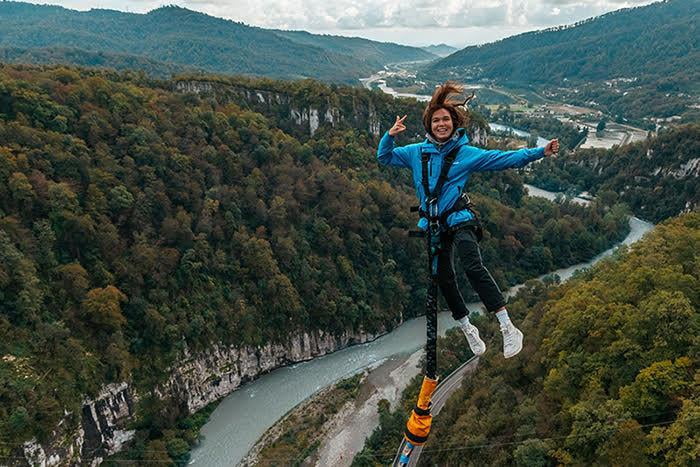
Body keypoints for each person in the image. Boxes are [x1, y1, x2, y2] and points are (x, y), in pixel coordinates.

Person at [377, 82, 559, 358]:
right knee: (443, 278)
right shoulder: (415, 152)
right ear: (429, 124)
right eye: (436, 120)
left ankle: (507, 326)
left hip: (460, 218)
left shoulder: (466, 154)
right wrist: (390, 135)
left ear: (454, 123)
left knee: (472, 266)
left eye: (445, 120)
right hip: (434, 223)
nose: (441, 124)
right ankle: (467, 327)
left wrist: (539, 152)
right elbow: (384, 157)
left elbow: (504, 158)